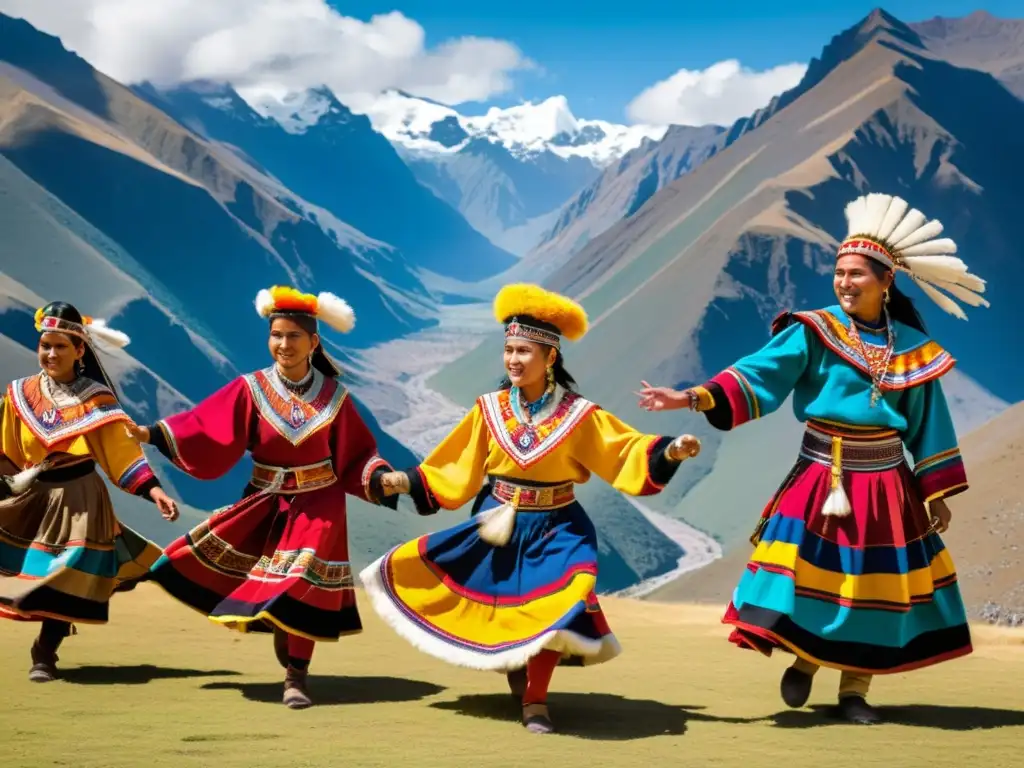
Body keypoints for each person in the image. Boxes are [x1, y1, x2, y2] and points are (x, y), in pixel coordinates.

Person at [637, 193, 987, 724]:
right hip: (825, 476)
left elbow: (928, 422)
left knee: (874, 586)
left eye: (856, 275)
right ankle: (806, 657)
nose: (844, 283)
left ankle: (854, 692)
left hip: (889, 484)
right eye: (838, 273)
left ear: (885, 282)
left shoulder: (913, 350)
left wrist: (932, 490)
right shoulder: (814, 330)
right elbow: (758, 374)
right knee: (813, 575)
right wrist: (689, 397)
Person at [359, 283, 701, 734]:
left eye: (524, 351)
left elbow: (624, 450)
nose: (514, 360)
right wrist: (400, 480)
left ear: (550, 357)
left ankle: (536, 703)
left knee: (560, 603)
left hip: (558, 528)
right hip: (495, 523)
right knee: (508, 613)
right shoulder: (489, 409)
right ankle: (522, 675)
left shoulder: (580, 416)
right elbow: (452, 466)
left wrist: (672, 451)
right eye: (509, 350)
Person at [128, 286, 398, 709]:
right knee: (265, 583)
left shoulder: (335, 398)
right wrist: (151, 434)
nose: (283, 344)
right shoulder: (250, 388)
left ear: (314, 342)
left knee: (302, 580)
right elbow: (206, 427)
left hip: (320, 501)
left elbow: (358, 454)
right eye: (276, 335)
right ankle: (282, 636)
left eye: (293, 336)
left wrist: (381, 477)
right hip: (265, 499)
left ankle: (296, 678)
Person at [0, 302, 179, 682]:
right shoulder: (19, 395)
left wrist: (153, 490)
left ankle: (45, 650)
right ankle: (58, 628)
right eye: (45, 345)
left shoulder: (97, 400)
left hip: (81, 498)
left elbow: (121, 453)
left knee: (69, 570)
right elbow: (6, 450)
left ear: (79, 351)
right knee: (32, 574)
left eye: (61, 346)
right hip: (33, 495)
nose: (51, 354)